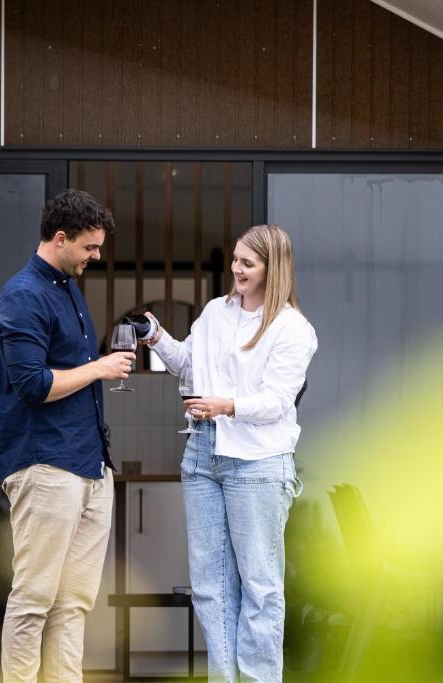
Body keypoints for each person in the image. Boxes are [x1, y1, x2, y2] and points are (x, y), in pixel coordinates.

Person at [144, 224, 318, 682]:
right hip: (202, 456)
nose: (236, 269)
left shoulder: (292, 329)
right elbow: (188, 365)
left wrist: (226, 405)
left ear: (271, 268)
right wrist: (157, 337)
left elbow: (279, 401)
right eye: (236, 259)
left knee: (259, 587)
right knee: (211, 586)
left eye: (248, 263)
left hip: (257, 463)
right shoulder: (215, 313)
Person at [0, 189, 135, 683]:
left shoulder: (69, 287)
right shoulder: (23, 295)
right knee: (34, 599)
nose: (96, 256)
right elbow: (32, 385)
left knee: (73, 603)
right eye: (90, 248)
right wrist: (98, 368)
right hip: (45, 464)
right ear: (60, 238)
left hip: (90, 465)